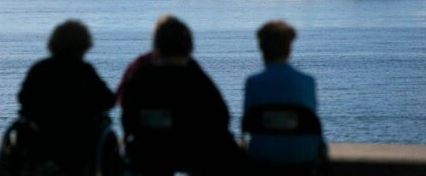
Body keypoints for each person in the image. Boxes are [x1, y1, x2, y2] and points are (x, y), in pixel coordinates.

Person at [121, 16, 245, 175]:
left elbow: (127, 119)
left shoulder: (142, 77)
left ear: (156, 45)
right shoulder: (196, 77)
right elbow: (221, 117)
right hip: (192, 152)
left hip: (149, 152)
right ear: (189, 45)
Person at [18, 20, 117, 175]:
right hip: (79, 141)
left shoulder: (39, 69)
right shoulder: (84, 71)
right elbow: (108, 100)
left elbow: (23, 98)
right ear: (84, 45)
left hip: (41, 139)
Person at [244, 20, 325, 164]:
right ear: (289, 48)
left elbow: (248, 124)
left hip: (263, 159)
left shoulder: (253, 82)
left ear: (261, 48)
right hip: (304, 160)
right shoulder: (308, 81)